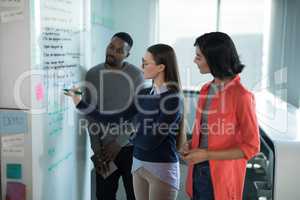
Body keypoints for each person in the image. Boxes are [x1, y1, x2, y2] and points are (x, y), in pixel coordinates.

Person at [65, 44, 186, 200]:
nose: (141, 66)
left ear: (161, 67)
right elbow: (115, 117)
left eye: (146, 63)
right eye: (142, 61)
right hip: (139, 165)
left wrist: (131, 137)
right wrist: (79, 102)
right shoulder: (144, 93)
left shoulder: (172, 99)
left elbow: (151, 141)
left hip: (160, 167)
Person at [181, 32, 260, 200]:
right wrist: (190, 144)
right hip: (198, 170)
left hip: (221, 177)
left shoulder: (242, 96)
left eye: (199, 57)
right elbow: (207, 133)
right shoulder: (205, 90)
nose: (195, 61)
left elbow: (252, 147)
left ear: (214, 59)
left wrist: (206, 155)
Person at [81, 32, 144, 200]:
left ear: (127, 54)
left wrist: (119, 143)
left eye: (118, 50)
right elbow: (89, 113)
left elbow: (138, 113)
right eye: (111, 47)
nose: (112, 52)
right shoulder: (93, 74)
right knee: (104, 195)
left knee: (135, 195)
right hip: (103, 150)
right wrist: (96, 146)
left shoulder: (136, 75)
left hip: (130, 148)